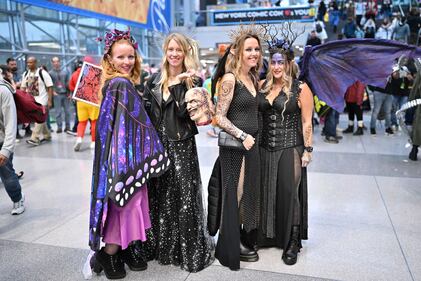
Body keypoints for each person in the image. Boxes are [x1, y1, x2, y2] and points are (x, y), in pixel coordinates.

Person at [88, 29, 169, 280]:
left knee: (124, 204)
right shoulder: (120, 84)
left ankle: (120, 248)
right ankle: (108, 253)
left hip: (123, 158)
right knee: (124, 204)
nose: (126, 62)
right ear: (109, 59)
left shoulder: (118, 84)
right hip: (124, 160)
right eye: (121, 57)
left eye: (130, 57)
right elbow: (132, 126)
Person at [142, 32, 214, 272]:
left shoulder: (192, 82)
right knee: (160, 194)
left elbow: (186, 115)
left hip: (181, 144)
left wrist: (179, 87)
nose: (174, 54)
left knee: (183, 196)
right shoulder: (151, 80)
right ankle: (163, 248)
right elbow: (145, 113)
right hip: (157, 144)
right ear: (165, 51)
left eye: (179, 50)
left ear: (185, 53)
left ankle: (187, 251)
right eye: (171, 49)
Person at [210, 25, 263, 270]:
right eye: (248, 49)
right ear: (238, 53)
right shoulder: (230, 79)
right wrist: (242, 135)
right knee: (235, 193)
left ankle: (240, 235)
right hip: (235, 146)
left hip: (252, 146)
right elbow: (219, 116)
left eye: (256, 49)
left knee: (246, 192)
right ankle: (228, 243)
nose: (253, 53)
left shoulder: (252, 78)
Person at [257, 34, 313, 265]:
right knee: (266, 191)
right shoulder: (261, 85)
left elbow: (307, 121)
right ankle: (266, 235)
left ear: (289, 63)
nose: (277, 66)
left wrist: (308, 149)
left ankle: (292, 241)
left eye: (282, 62)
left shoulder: (301, 88)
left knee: (290, 193)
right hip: (263, 148)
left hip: (291, 147)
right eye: (274, 62)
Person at [0, 66, 25, 215]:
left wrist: (6, 149)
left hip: (2, 142)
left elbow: (10, 122)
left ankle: (18, 198)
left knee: (7, 175)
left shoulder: (3, 91)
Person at [68, 57, 100, 151]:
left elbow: (71, 87)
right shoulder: (96, 72)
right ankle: (93, 142)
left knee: (82, 122)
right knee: (94, 122)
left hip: (81, 101)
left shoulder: (75, 74)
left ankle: (79, 139)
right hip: (93, 101)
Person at [21, 56, 53, 146]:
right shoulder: (25, 74)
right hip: (31, 101)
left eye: (30, 62)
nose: (28, 64)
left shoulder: (42, 73)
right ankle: (47, 135)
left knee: (38, 118)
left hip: (42, 100)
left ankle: (34, 138)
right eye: (27, 63)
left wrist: (49, 101)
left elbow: (50, 86)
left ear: (35, 63)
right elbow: (23, 88)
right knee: (40, 119)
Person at [49, 57, 72, 134]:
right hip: (57, 94)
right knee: (58, 112)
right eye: (54, 62)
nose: (56, 63)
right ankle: (59, 127)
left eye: (57, 61)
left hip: (65, 94)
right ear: (52, 63)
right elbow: (49, 84)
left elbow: (68, 83)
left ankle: (68, 127)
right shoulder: (50, 73)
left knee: (67, 112)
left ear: (60, 62)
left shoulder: (65, 72)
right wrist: (52, 92)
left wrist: (70, 93)